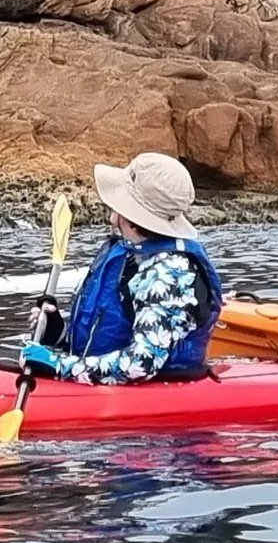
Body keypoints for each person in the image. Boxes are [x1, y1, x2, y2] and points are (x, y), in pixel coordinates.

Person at [20, 152, 222, 385]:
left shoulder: (168, 274)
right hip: (102, 383)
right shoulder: (129, 253)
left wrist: (59, 366)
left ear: (132, 217)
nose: (112, 210)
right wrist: (57, 334)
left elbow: (140, 365)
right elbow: (106, 338)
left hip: (153, 394)